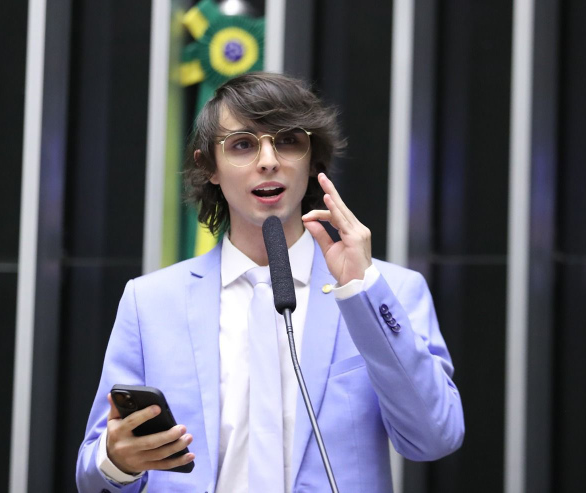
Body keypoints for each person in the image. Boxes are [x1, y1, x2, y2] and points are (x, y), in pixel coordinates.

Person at [76, 72, 464, 493]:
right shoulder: (150, 301)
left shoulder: (388, 290)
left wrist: (361, 291)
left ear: (312, 161)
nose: (268, 161)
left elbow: (436, 438)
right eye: (242, 145)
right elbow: (92, 474)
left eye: (288, 141)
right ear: (209, 167)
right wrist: (118, 460)